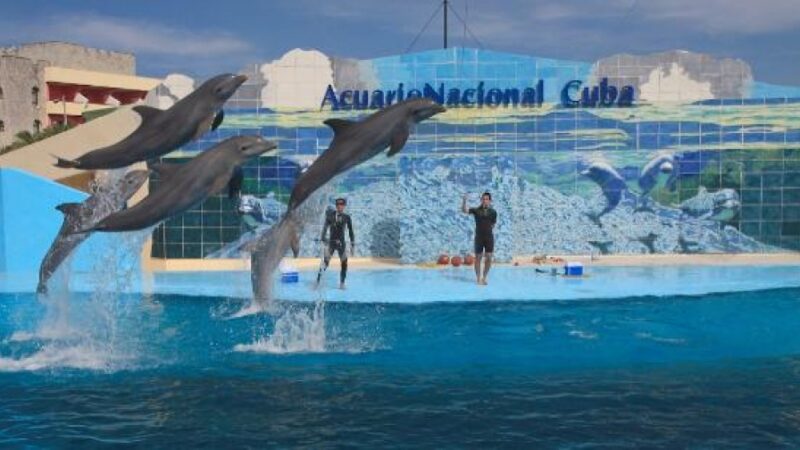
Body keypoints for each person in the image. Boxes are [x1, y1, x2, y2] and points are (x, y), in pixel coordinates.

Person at [316, 197, 355, 289]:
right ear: (336, 206)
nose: (339, 206)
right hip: (332, 243)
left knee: (344, 263)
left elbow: (351, 231)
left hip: (341, 244)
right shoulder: (330, 216)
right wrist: (323, 238)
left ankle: (342, 283)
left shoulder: (347, 217)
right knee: (325, 262)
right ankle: (317, 282)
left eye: (341, 205)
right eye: (338, 204)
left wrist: (352, 244)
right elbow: (325, 228)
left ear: (344, 206)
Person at [462, 192, 497, 285]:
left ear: (490, 201)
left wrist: (487, 230)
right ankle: (478, 278)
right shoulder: (476, 210)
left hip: (489, 237)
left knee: (489, 257)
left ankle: (484, 277)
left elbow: (493, 224)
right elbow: (464, 210)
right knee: (478, 257)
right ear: (481, 200)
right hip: (479, 237)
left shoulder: (493, 212)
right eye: (483, 199)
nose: (485, 201)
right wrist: (464, 200)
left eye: (487, 199)